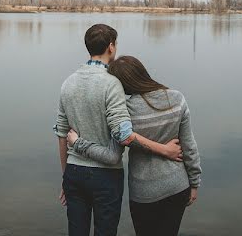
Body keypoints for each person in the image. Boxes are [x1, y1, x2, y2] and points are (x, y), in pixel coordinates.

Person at [54, 24, 183, 236]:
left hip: (74, 173)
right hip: (105, 176)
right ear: (111, 47)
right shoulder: (113, 84)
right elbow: (123, 135)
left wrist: (65, 176)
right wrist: (164, 150)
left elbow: (61, 133)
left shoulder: (68, 82)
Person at [67, 55, 201, 236]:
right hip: (178, 186)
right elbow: (189, 147)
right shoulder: (177, 99)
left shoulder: (125, 111)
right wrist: (194, 183)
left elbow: (112, 154)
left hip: (144, 192)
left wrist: (78, 143)